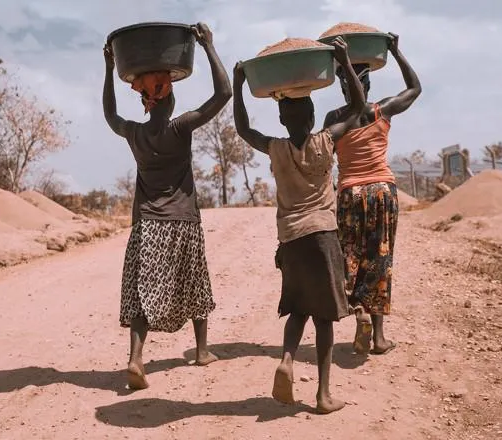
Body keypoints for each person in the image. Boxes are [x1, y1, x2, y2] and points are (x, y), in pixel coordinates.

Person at [233, 37, 364, 414]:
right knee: (324, 317)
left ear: (281, 119)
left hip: (290, 239)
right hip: (323, 235)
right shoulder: (327, 140)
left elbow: (243, 129)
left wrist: (241, 84)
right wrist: (343, 61)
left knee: (297, 308)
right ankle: (323, 395)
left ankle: (287, 360)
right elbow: (356, 107)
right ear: (311, 117)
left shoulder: (274, 147)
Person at [102, 22, 232, 390]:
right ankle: (202, 350)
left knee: (145, 291)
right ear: (168, 100)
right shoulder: (180, 128)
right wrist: (208, 46)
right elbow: (224, 94)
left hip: (147, 224)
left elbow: (110, 114)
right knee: (195, 285)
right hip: (183, 221)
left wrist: (109, 69)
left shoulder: (135, 133)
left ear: (145, 102)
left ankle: (135, 358)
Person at [322, 33, 421, 356]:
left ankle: (359, 312)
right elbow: (415, 88)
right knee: (380, 260)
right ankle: (378, 338)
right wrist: (396, 50)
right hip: (382, 191)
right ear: (367, 86)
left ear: (343, 85)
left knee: (350, 259)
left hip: (351, 192)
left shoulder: (334, 119)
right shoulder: (383, 110)